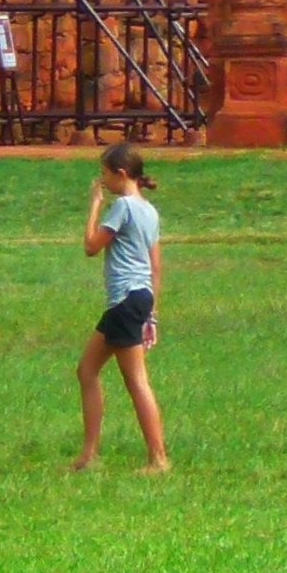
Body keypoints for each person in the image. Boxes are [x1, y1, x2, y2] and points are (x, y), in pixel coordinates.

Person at [73, 143, 168, 474]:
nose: (103, 180)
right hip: (138, 298)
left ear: (122, 174)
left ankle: (158, 459)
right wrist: (151, 314)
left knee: (136, 380)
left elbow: (91, 247)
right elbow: (156, 267)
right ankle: (88, 455)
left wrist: (95, 207)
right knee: (87, 370)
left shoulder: (124, 207)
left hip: (124, 300)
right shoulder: (149, 211)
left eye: (105, 174)